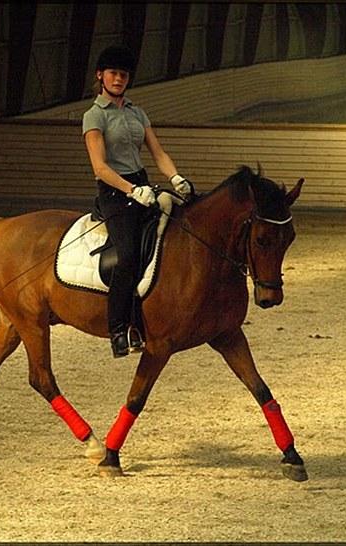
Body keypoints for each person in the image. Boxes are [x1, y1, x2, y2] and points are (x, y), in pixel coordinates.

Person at [82, 45, 193, 358]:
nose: (119, 78)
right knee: (129, 255)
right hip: (116, 193)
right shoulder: (94, 116)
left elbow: (158, 153)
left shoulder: (136, 113)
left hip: (143, 187)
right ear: (100, 76)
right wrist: (131, 190)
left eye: (124, 74)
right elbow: (99, 168)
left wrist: (176, 179)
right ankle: (118, 328)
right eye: (113, 73)